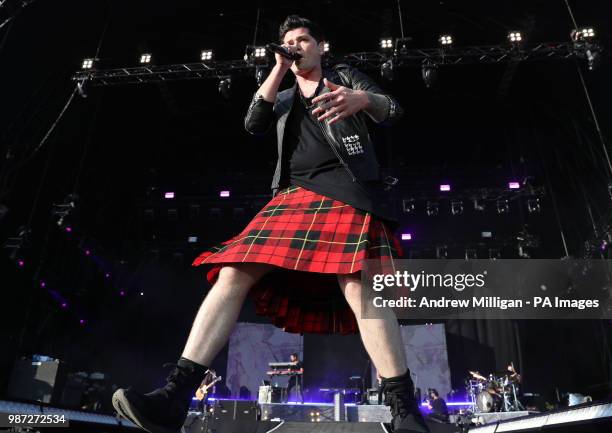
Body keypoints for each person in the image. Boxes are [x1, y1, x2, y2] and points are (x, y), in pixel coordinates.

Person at [112, 14, 429, 433]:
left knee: (358, 284)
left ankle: (404, 411)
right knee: (232, 271)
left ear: (321, 46)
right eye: (289, 42)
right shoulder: (280, 98)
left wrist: (362, 100)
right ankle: (175, 396)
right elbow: (252, 123)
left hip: (346, 191)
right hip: (292, 198)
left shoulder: (343, 76)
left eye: (303, 40)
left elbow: (393, 109)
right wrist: (279, 68)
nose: (296, 46)